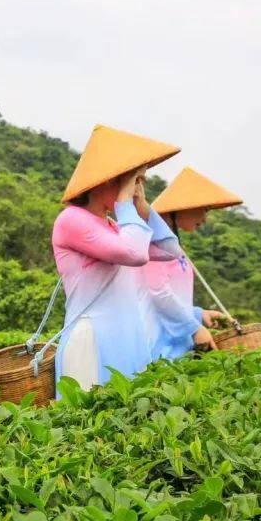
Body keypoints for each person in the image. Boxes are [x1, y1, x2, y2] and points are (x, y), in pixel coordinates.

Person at [52, 124, 183, 390]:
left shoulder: (114, 226)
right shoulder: (71, 220)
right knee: (86, 422)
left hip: (128, 336)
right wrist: (125, 203)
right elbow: (134, 254)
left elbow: (171, 251)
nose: (135, 188)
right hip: (94, 340)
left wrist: (142, 206)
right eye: (133, 180)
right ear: (110, 180)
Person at [146, 167, 243, 359]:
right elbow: (157, 293)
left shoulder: (173, 244)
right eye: (205, 209)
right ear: (184, 206)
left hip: (176, 344)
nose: (206, 219)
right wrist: (192, 328)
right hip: (158, 346)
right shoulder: (153, 242)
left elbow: (174, 294)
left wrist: (199, 314)